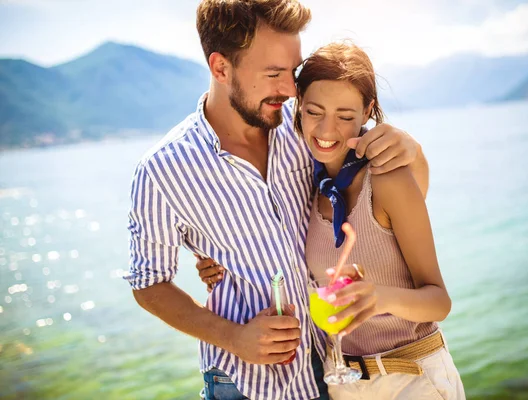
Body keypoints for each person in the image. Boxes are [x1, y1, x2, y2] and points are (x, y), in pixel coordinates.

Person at [126, 1, 429, 400]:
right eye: (273, 74)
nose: (289, 90)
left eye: (292, 71)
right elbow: (149, 284)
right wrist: (233, 337)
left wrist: (411, 148)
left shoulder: (305, 127)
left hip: (334, 370)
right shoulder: (163, 170)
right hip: (247, 383)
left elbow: (386, 198)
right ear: (220, 69)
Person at [199, 40, 465, 400]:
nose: (327, 131)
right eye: (314, 112)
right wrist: (217, 262)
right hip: (341, 383)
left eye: (344, 116)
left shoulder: (388, 178)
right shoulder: (302, 183)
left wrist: (378, 298)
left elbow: (439, 302)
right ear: (298, 106)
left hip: (412, 377)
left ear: (367, 110)